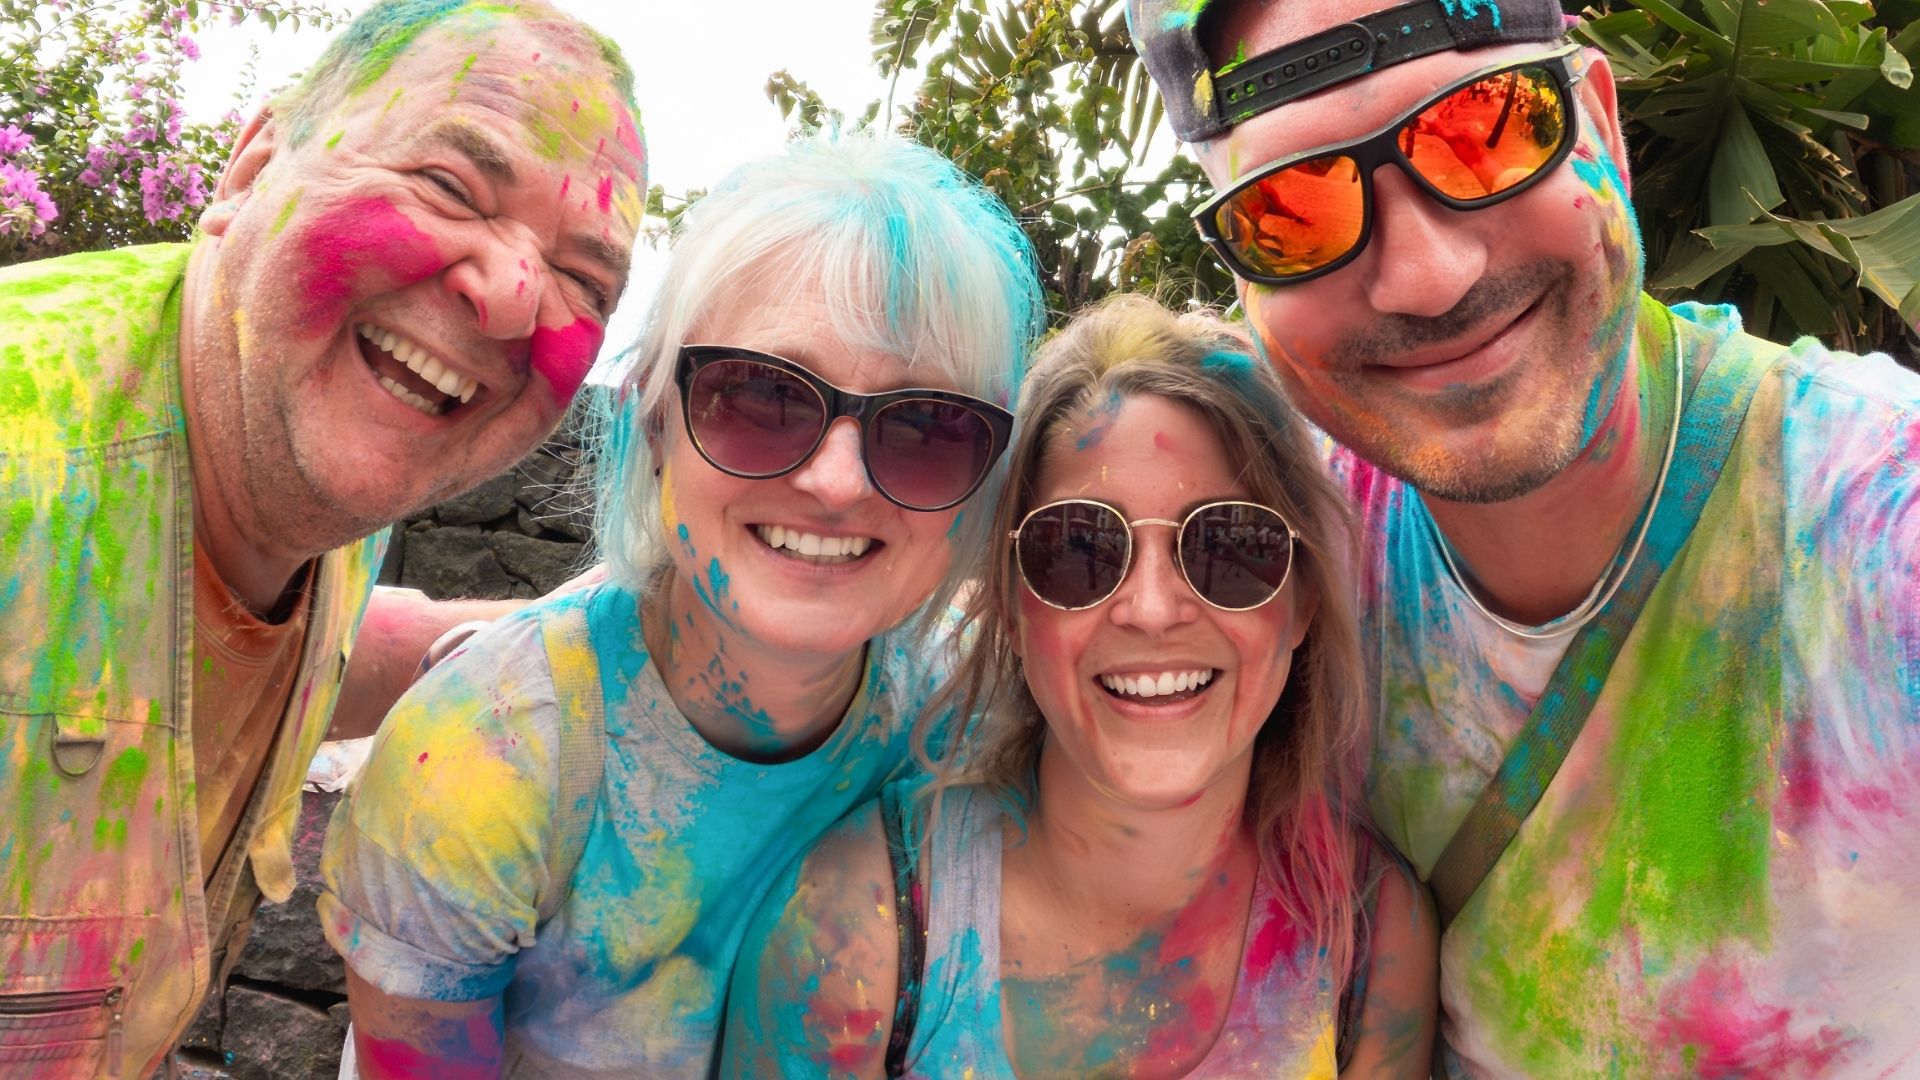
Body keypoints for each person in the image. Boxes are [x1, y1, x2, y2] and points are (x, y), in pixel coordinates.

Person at [1128, 0, 1920, 1075]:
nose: (1431, 278)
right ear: (1241, 276)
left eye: (1486, 127)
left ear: (1596, 120)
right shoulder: (1268, 558)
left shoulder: (1873, 517)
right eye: (1293, 209)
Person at [0, 1, 645, 1075]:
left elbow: (321, 649)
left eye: (587, 281)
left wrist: (624, 630)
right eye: (448, 187)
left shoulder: (280, 451)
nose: (513, 296)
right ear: (251, 164)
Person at [318, 132, 1046, 1077]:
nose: (835, 481)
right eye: (763, 398)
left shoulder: (970, 727)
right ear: (655, 422)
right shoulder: (485, 760)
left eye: (926, 427)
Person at [723, 295, 1437, 1079]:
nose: (1153, 609)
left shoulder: (1370, 936)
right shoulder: (857, 925)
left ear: (1302, 600)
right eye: (1079, 548)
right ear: (1014, 603)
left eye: (1233, 544)